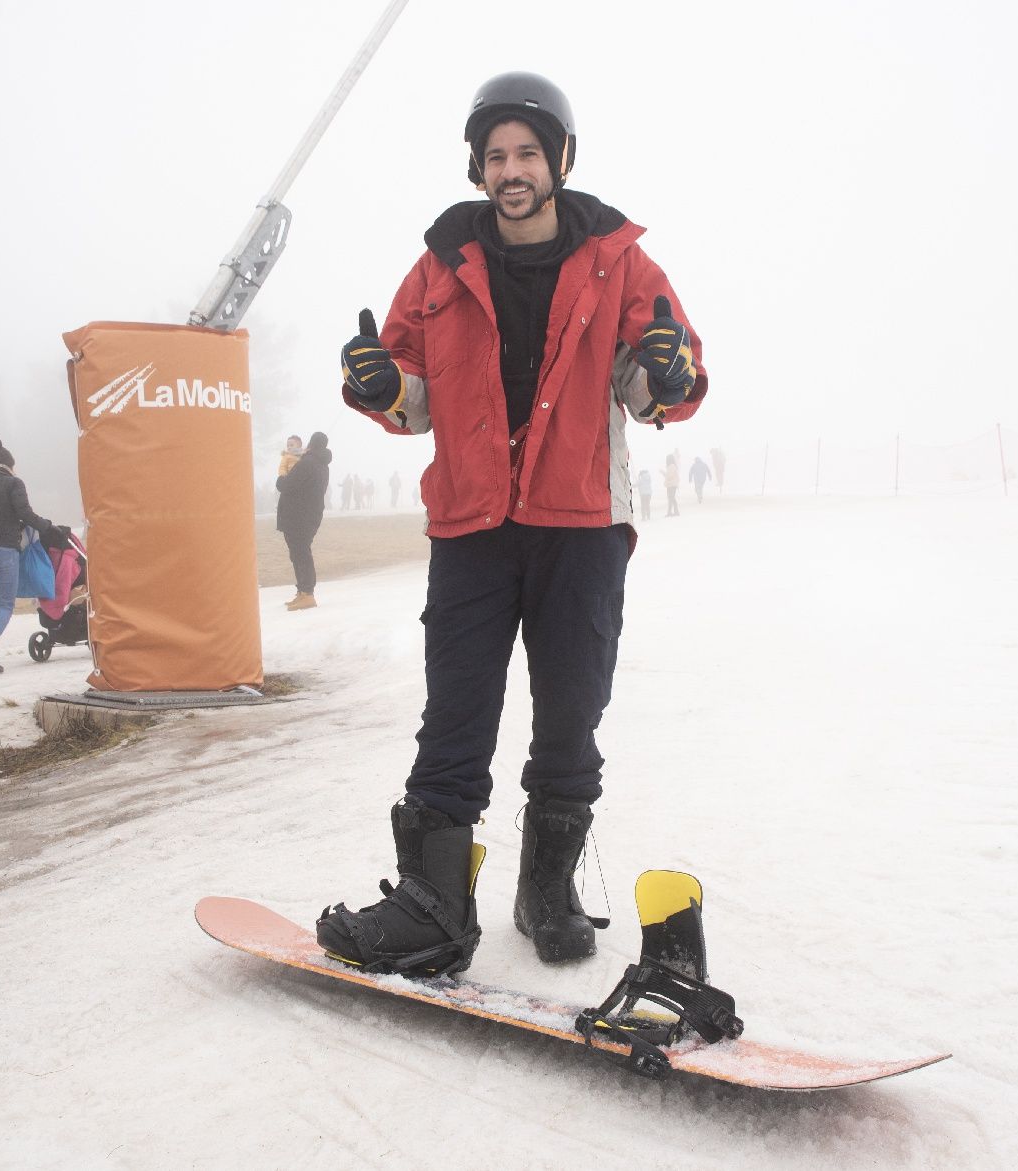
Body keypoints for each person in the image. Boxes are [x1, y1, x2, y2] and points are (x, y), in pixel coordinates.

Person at [319, 71, 707, 975]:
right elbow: (411, 397)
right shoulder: (439, 268)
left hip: (581, 525)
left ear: (560, 159)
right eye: (495, 155)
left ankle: (545, 891)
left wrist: (668, 373)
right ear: (477, 168)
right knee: (455, 713)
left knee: (571, 715)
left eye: (528, 151)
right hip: (472, 525)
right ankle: (434, 905)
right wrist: (380, 386)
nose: (511, 168)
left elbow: (650, 380)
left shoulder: (621, 263)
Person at [0, 438, 62, 674]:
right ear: (8, 465)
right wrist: (48, 527)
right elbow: (25, 514)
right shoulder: (13, 483)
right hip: (4, 551)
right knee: (5, 605)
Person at [275, 431, 332, 611]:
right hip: (309, 515)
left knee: (300, 553)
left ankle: (307, 594)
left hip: (299, 516)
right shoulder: (322, 465)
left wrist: (280, 477)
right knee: (299, 552)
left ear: (311, 443)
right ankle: (302, 592)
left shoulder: (308, 463)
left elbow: (285, 485)